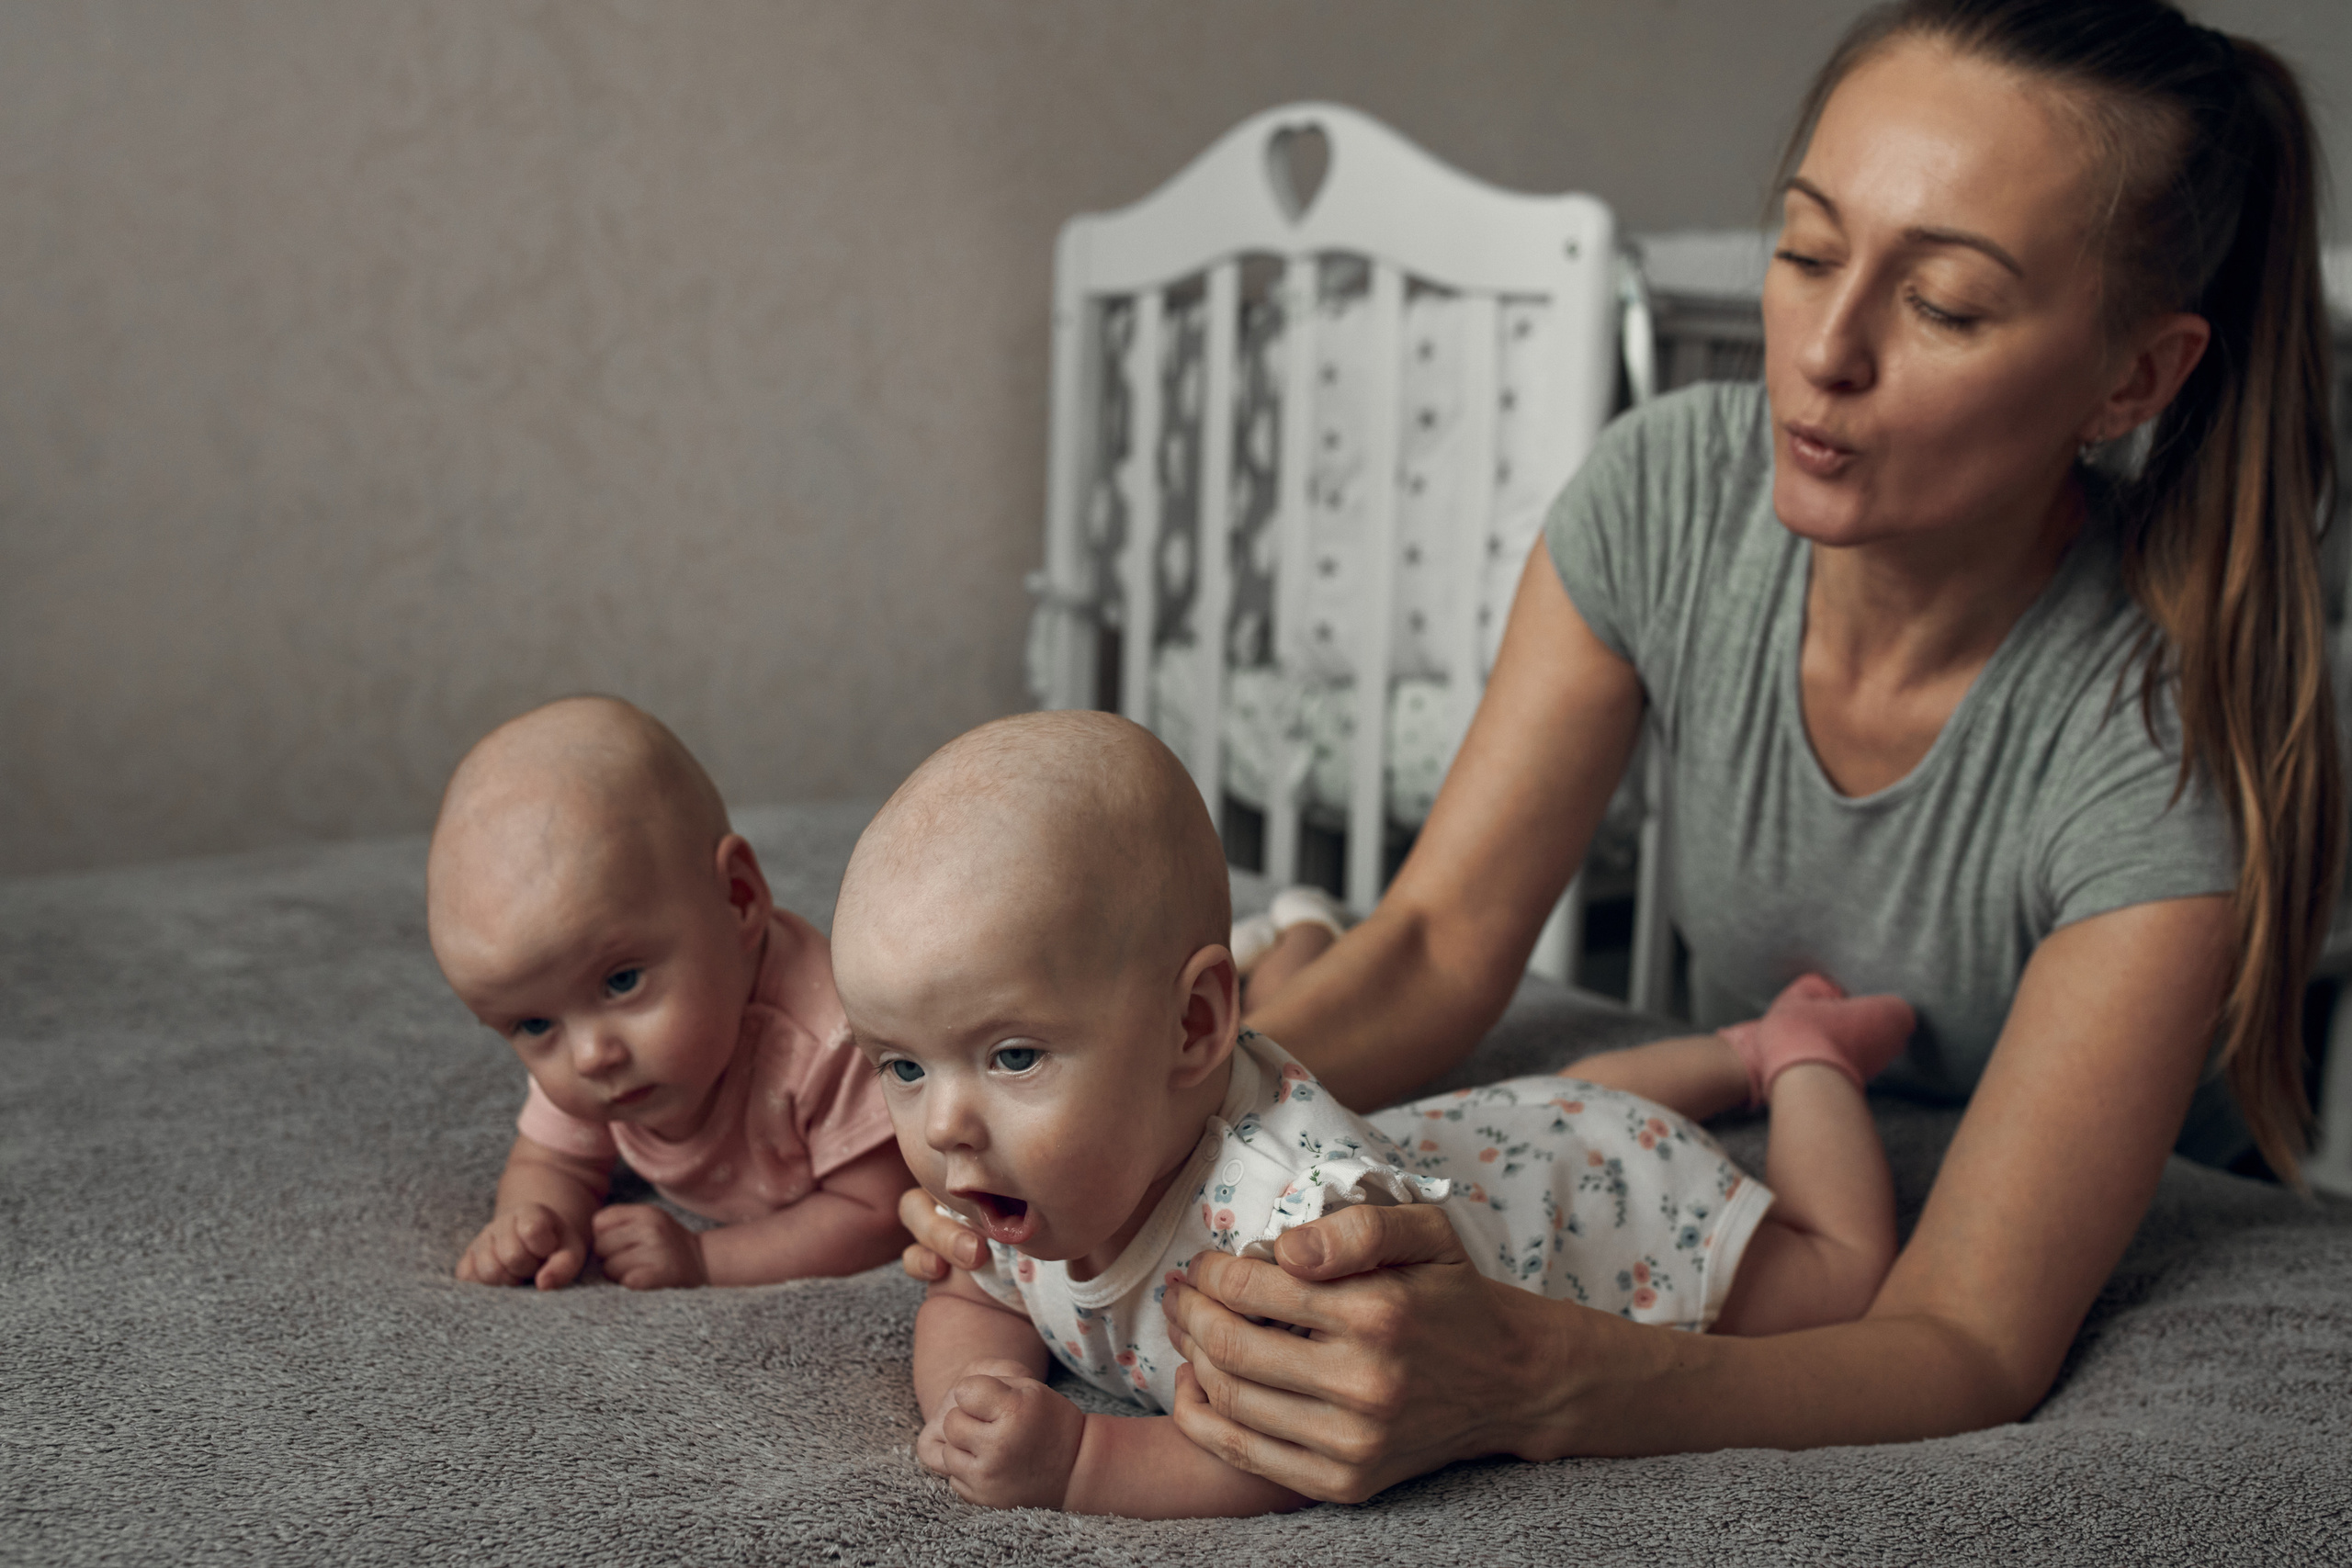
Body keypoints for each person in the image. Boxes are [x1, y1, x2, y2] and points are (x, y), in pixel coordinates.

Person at [900, 0, 2345, 1503]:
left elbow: (1965, 1339)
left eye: (1947, 306)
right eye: (1803, 250)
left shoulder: (2159, 764)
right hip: (1782, 1125)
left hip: (2005, 1234)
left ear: (2134, 379)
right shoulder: (1671, 496)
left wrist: (1522, 1376)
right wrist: (1074, 1134)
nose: (1826, 351)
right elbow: (1444, 941)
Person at [834, 711, 1916, 1516]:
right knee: (1559, 1108)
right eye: (904, 1067)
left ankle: (1799, 1052)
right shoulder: (1016, 1173)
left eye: (1012, 1055)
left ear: (1196, 1025)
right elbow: (977, 1302)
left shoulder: (1292, 1239)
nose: (943, 1129)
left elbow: (1287, 1443)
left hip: (1607, 1215)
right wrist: (973, 1391)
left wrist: (1080, 1463)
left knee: (1837, 1273)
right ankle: (1721, 1054)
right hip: (1498, 1136)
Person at [430, 695, 913, 1291]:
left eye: (622, 981)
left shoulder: (832, 1040)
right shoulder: (580, 1023)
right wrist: (534, 1220)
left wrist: (706, 1257)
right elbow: (553, 1158)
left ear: (737, 898)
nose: (590, 1055)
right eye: (533, 1026)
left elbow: (878, 1213)